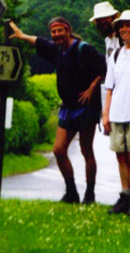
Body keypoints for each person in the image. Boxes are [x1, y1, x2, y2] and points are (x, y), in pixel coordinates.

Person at [9, 17, 106, 204]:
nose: (56, 35)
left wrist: (92, 88)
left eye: (60, 31)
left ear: (68, 31)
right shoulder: (56, 50)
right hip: (67, 108)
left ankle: (90, 194)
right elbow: (38, 41)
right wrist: (21, 36)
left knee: (87, 151)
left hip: (86, 108)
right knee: (59, 150)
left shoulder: (83, 49)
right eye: (53, 32)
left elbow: (103, 66)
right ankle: (71, 192)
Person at [90, 1, 130, 207]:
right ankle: (126, 196)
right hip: (117, 112)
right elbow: (109, 86)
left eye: (128, 26)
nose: (124, 30)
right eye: (121, 27)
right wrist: (106, 114)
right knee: (121, 156)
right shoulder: (115, 52)